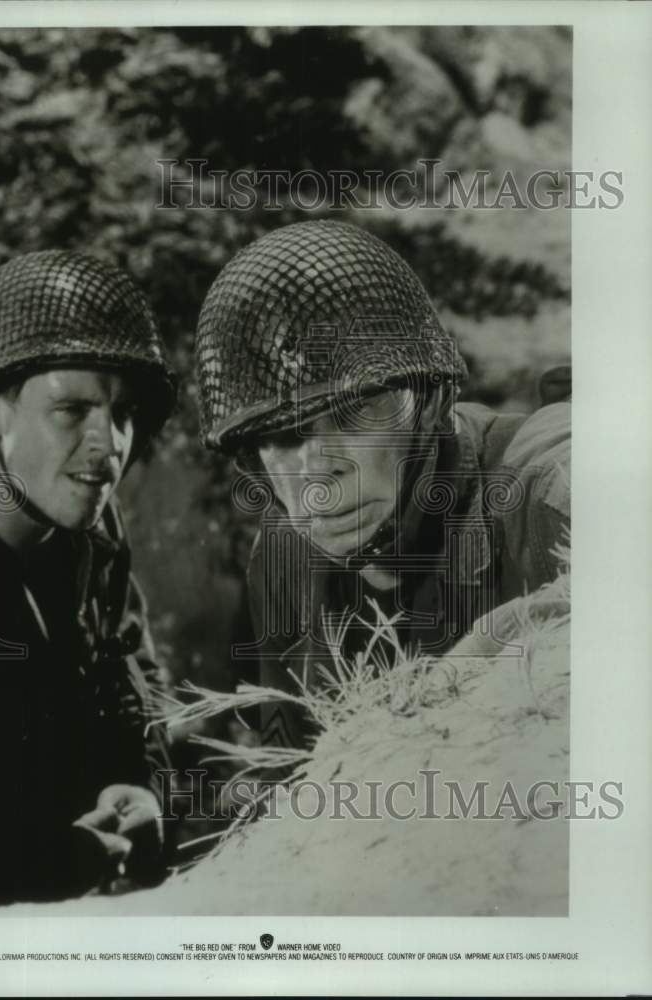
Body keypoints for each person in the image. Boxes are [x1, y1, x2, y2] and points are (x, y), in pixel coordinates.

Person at [194, 220, 570, 751]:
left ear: (430, 401)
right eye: (280, 436)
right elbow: (289, 779)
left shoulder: (540, 480)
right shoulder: (284, 555)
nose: (319, 470)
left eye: (356, 413)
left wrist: (494, 649)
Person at [0, 250, 177, 908]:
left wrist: (139, 785)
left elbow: (134, 690)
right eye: (72, 410)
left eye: (125, 413)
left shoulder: (97, 541)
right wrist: (24, 857)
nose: (109, 447)